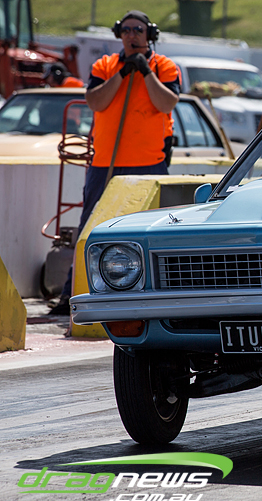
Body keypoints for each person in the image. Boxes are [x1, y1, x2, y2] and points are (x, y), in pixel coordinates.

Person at [49, 10, 179, 315]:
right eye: (127, 30)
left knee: (150, 232)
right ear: (119, 34)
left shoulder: (164, 66)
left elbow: (167, 102)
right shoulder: (105, 66)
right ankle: (72, 293)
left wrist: (145, 72)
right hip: (106, 164)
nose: (132, 35)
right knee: (90, 228)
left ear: (150, 35)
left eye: (138, 30)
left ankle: (151, 295)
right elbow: (95, 101)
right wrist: (121, 74)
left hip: (149, 164)